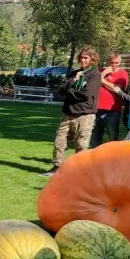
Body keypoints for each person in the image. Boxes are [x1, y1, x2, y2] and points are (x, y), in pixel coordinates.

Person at [40, 46, 102, 176]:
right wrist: (73, 81)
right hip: (68, 113)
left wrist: (70, 92)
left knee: (81, 144)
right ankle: (57, 168)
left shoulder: (94, 75)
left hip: (84, 115)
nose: (83, 60)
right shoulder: (74, 73)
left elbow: (85, 94)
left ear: (92, 59)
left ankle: (79, 172)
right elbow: (61, 90)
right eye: (81, 57)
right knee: (60, 140)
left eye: (86, 58)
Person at [90, 53, 129, 147]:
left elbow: (116, 89)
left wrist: (102, 80)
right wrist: (103, 74)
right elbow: (93, 84)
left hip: (112, 111)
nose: (114, 65)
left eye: (117, 63)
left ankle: (113, 160)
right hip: (97, 110)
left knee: (113, 140)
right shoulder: (100, 71)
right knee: (95, 139)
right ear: (107, 61)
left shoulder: (122, 74)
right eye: (112, 62)